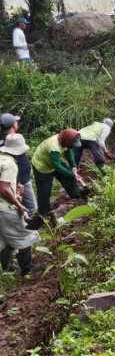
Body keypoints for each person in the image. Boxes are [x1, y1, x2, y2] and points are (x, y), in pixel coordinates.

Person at [0, 134, 43, 275]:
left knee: (4, 238)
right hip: (5, 209)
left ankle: (7, 267)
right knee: (24, 236)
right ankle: (27, 267)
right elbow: (4, 188)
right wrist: (18, 204)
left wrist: (15, 189)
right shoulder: (10, 164)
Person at [32, 129, 85, 220]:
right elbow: (57, 166)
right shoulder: (54, 146)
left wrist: (73, 166)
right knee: (44, 191)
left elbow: (68, 153)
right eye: (72, 144)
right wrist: (73, 175)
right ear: (68, 140)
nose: (73, 146)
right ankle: (44, 214)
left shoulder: (65, 140)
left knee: (69, 177)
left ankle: (77, 197)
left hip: (53, 161)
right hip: (42, 167)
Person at [0, 114, 37, 218]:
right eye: (16, 122)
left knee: (17, 205)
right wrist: (18, 183)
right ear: (14, 124)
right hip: (19, 182)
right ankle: (24, 230)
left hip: (14, 180)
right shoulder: (12, 142)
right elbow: (11, 164)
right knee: (31, 208)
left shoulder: (3, 139)